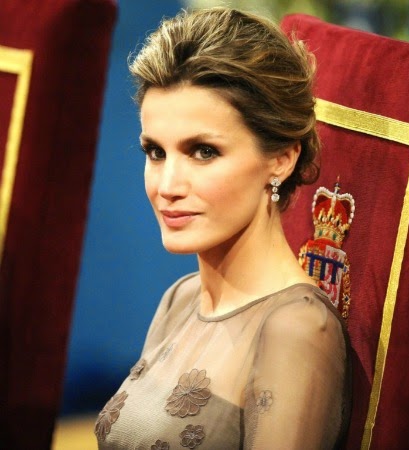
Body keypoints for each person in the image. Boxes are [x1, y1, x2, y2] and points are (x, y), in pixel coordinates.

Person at [94, 7, 351, 449]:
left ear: (281, 159)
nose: (168, 186)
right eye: (155, 152)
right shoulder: (180, 299)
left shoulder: (297, 330)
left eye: (204, 152)